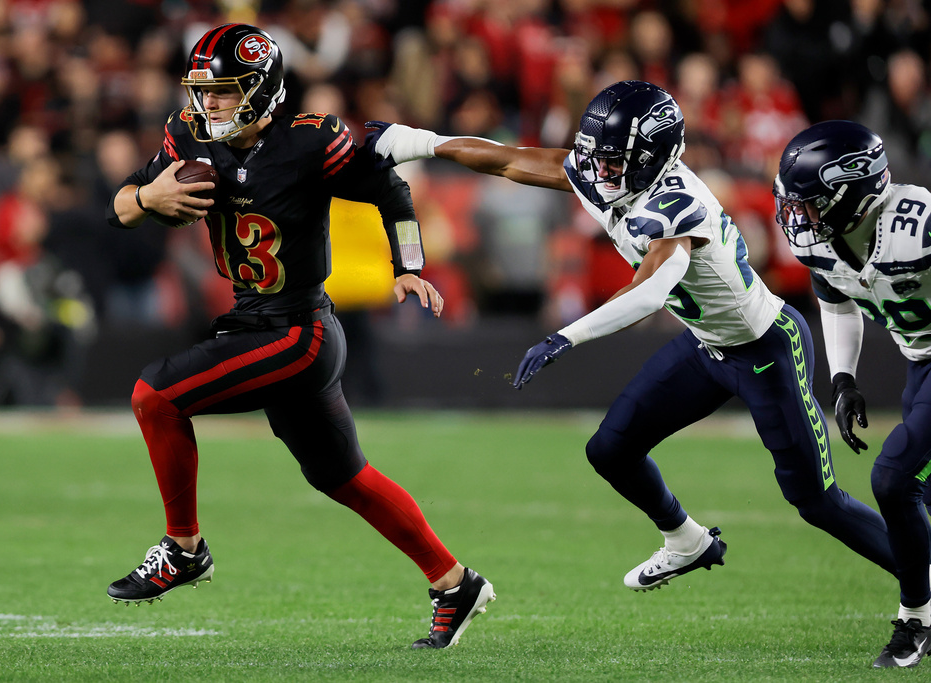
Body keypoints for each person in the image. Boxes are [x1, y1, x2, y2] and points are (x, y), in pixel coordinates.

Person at [365, 80, 898, 595]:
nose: (599, 172)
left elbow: (648, 293)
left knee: (817, 502)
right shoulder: (608, 172)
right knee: (611, 450)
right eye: (595, 158)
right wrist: (417, 142)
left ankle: (922, 580)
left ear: (651, 157)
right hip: (705, 344)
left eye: (613, 161)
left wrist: (565, 337)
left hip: (765, 348)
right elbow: (506, 159)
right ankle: (686, 540)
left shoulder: (676, 203)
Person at [104, 23, 494, 650]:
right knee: (343, 478)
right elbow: (118, 207)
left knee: (156, 395)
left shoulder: (310, 140)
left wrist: (409, 265)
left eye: (224, 90)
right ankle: (455, 582)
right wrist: (148, 196)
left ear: (261, 88)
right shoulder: (189, 133)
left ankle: (184, 548)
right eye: (203, 90)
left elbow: (389, 188)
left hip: (297, 329)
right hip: (256, 320)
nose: (209, 103)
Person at [773, 120, 931, 668]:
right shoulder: (824, 243)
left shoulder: (917, 225)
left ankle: (916, 620)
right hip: (920, 364)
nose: (798, 215)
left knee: (894, 479)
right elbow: (836, 300)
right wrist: (843, 379)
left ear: (853, 194)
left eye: (810, 202)